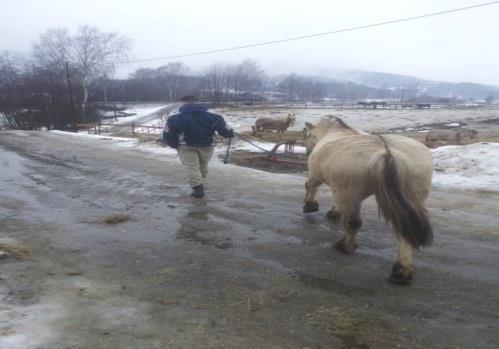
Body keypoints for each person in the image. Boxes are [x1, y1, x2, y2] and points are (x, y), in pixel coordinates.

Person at [164, 95, 234, 198]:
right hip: (207, 145)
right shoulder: (214, 116)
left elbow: (168, 133)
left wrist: (173, 144)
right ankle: (198, 182)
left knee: (192, 167)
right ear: (198, 102)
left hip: (185, 146)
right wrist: (229, 133)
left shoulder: (174, 118)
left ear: (183, 103)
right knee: (203, 165)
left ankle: (198, 189)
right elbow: (225, 130)